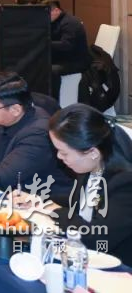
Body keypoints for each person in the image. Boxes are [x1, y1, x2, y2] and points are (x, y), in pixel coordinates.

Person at [47, 104, 132, 265]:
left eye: (64, 152)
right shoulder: (92, 166)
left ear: (92, 152)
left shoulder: (126, 183)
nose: (59, 156)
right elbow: (80, 203)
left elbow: (95, 236)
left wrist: (55, 211)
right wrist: (40, 200)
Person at [46, 0, 91, 98]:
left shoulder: (70, 23)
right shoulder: (56, 21)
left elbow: (66, 45)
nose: (45, 18)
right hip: (65, 58)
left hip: (77, 61)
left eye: (47, 14)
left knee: (50, 71)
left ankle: (53, 101)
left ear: (56, 10)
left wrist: (46, 43)